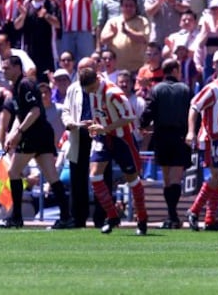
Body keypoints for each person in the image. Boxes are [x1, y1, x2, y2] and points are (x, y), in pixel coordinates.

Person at [1, 55, 73, 229]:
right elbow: (21, 115)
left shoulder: (25, 84)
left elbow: (34, 111)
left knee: (13, 172)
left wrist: (19, 132)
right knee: (51, 176)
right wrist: (11, 134)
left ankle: (16, 217)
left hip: (34, 135)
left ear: (17, 67)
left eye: (7, 68)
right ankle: (66, 216)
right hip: (41, 134)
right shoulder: (16, 86)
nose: (4, 71)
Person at [78, 66, 148, 235]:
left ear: (96, 81)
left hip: (122, 138)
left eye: (91, 88)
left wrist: (106, 127)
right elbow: (100, 112)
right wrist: (94, 124)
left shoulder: (112, 92)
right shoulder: (92, 90)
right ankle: (112, 216)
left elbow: (130, 116)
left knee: (132, 179)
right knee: (94, 175)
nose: (90, 92)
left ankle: (142, 218)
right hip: (103, 137)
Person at [140, 58, 191, 229]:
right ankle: (173, 215)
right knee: (176, 177)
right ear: (176, 70)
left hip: (161, 137)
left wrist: (142, 125)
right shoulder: (185, 89)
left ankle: (171, 215)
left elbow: (148, 110)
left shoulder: (156, 89)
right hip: (180, 137)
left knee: (167, 178)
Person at [62, 57, 111, 228]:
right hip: (79, 133)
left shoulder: (106, 86)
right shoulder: (73, 89)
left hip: (100, 135)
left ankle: (103, 217)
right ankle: (77, 218)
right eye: (80, 69)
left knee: (101, 176)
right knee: (78, 178)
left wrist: (99, 124)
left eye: (87, 69)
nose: (83, 73)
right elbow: (66, 110)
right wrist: (71, 123)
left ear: (96, 68)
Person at [185, 49, 218, 232]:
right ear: (214, 65)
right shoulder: (213, 88)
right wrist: (190, 131)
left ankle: (210, 218)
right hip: (211, 137)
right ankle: (194, 210)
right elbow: (194, 106)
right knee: (216, 175)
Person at [100, 0, 150, 74]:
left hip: (136, 68)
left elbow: (144, 39)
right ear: (121, 7)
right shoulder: (113, 21)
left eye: (131, 6)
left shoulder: (142, 21)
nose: (128, 8)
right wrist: (113, 34)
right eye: (126, 6)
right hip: (116, 69)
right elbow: (102, 40)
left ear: (135, 7)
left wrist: (128, 32)